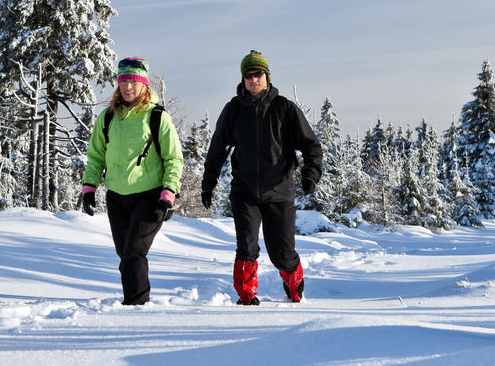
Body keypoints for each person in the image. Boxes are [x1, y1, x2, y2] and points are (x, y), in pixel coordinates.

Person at [201, 50, 322, 305]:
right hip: (244, 191)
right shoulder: (234, 110)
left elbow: (311, 146)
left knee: (282, 253)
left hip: (279, 191)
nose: (253, 79)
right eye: (248, 75)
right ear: (243, 79)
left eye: (257, 74)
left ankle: (294, 281)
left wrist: (310, 175)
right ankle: (246, 297)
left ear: (266, 76)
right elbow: (217, 149)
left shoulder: (284, 108)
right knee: (246, 247)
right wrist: (208, 183)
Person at [81, 57, 184, 306]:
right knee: (125, 254)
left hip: (149, 195)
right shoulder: (107, 118)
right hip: (117, 196)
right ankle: (135, 302)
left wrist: (168, 193)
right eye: (124, 81)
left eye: (134, 82)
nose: (128, 87)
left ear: (144, 86)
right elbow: (95, 156)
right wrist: (89, 188)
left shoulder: (157, 117)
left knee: (134, 252)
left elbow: (173, 158)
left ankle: (136, 305)